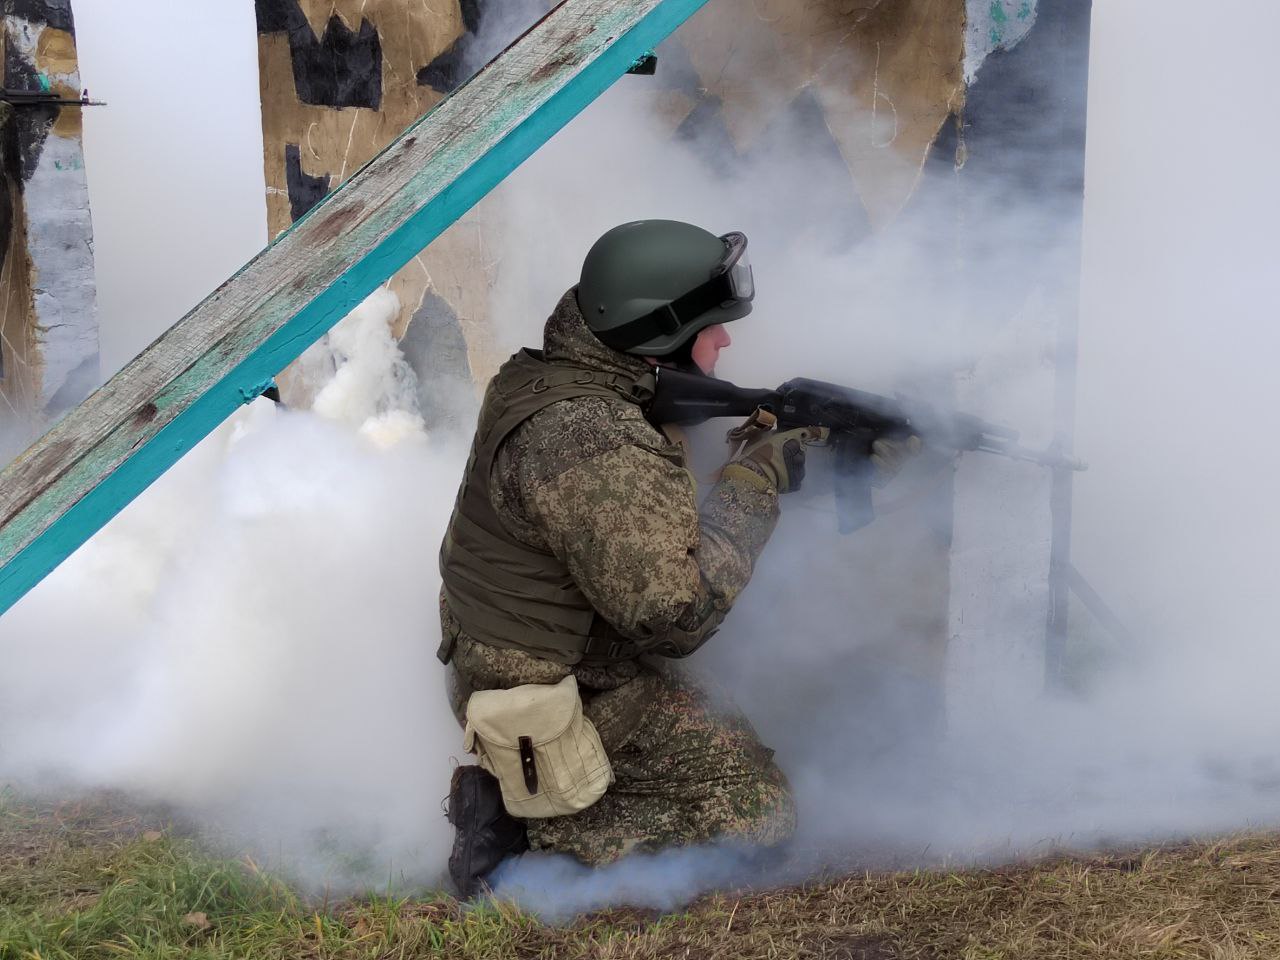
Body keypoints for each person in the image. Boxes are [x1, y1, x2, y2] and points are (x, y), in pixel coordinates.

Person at [437, 220, 912, 896]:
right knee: (756, 816)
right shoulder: (592, 437)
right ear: (659, 334)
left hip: (538, 645)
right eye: (711, 329)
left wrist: (797, 451)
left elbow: (636, 509)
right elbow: (676, 615)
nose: (725, 342)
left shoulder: (556, 376)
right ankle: (521, 828)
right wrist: (756, 479)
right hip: (547, 688)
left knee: (736, 724)